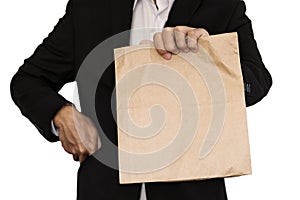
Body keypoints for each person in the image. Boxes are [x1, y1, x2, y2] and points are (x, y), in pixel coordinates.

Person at [10, 0, 272, 199]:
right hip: (104, 189)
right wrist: (61, 114)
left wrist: (209, 57)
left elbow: (258, 80)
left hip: (193, 190)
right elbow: (28, 80)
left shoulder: (220, 6)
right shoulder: (89, 7)